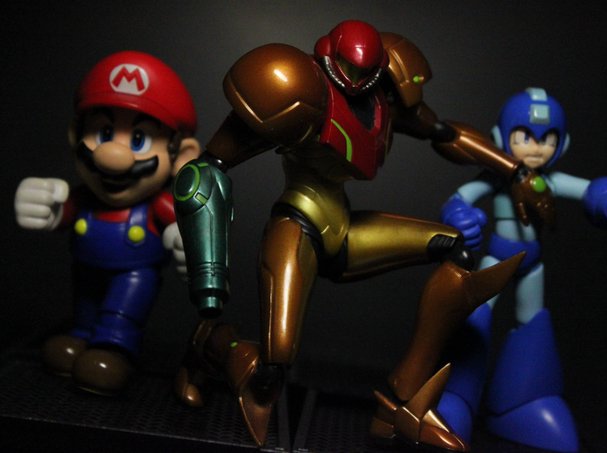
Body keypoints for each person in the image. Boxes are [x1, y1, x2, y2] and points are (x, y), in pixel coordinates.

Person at [173, 21, 552, 451]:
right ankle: (210, 342)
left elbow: (443, 132)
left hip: (346, 228)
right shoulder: (299, 91)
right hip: (298, 224)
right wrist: (209, 270)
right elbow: (207, 169)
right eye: (348, 72)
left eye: (365, 75)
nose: (355, 83)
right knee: (273, 366)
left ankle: (400, 403)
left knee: (456, 249)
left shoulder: (386, 96)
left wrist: (515, 171)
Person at [437, 87, 607, 451]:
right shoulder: (497, 178)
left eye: (547, 139)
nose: (536, 148)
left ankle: (524, 401)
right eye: (524, 136)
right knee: (475, 320)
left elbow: (591, 190)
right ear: (501, 138)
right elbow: (460, 198)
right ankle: (454, 397)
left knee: (533, 325)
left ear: (562, 144)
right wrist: (459, 216)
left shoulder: (549, 182)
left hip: (532, 266)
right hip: (497, 260)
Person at [14, 51, 200, 394]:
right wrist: (45, 210)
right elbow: (64, 212)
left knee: (120, 313)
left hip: (135, 274)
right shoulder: (82, 198)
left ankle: (114, 349)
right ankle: (82, 336)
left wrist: (192, 242)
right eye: (104, 132)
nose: (113, 156)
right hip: (86, 269)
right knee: (85, 306)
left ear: (182, 156)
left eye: (139, 139)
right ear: (76, 135)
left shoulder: (158, 206)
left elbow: (189, 227)